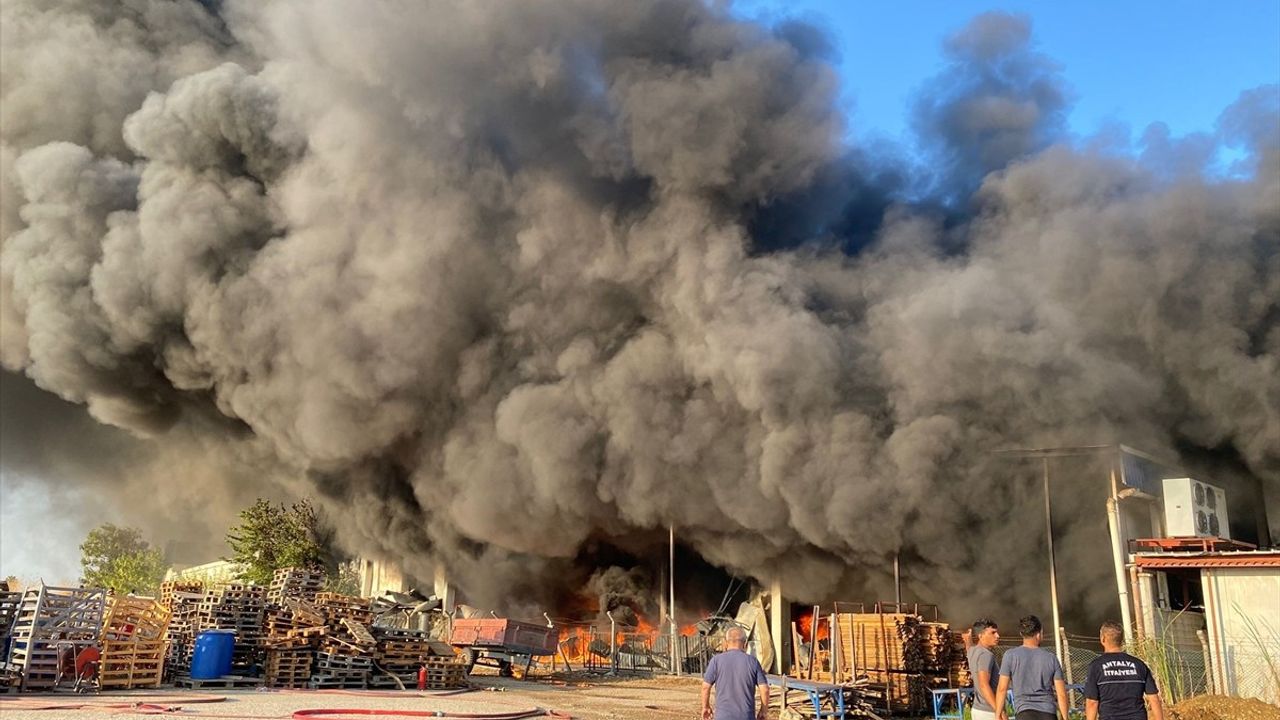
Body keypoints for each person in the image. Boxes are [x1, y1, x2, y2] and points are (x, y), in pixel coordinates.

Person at [1083, 621, 1164, 720]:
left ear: (1103, 639)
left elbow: (1092, 702)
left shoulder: (1096, 667)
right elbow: (1154, 699)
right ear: (1121, 640)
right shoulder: (1139, 665)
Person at [995, 615, 1069, 720]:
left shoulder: (1010, 656)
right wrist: (1065, 717)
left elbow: (1002, 689)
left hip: (1024, 713)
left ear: (1021, 633)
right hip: (1048, 713)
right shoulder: (1051, 658)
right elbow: (1061, 693)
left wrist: (998, 714)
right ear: (1038, 634)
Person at [700, 625, 770, 720]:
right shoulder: (753, 662)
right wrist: (763, 711)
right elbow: (764, 689)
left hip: (722, 717)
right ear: (745, 644)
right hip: (746, 716)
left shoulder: (716, 661)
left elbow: (705, 687)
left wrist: (706, 707)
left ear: (725, 643)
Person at [968, 619, 1002, 720]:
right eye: (993, 633)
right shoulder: (986, 655)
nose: (997, 636)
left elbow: (968, 647)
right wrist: (999, 712)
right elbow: (984, 685)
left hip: (977, 709)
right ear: (980, 635)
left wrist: (968, 639)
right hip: (989, 711)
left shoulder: (972, 651)